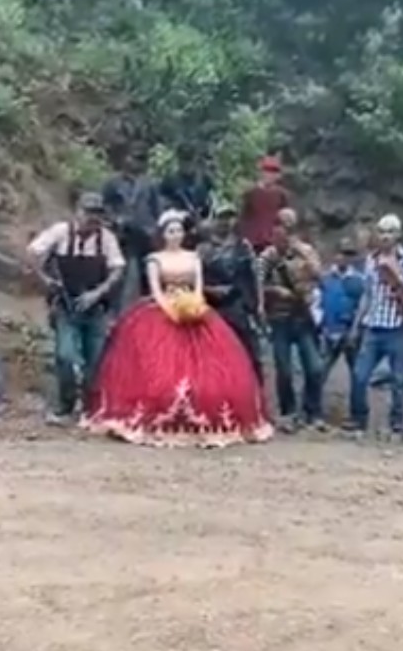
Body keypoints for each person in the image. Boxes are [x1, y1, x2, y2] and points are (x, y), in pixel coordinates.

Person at [82, 209, 272, 447]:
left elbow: (198, 286)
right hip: (162, 311)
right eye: (171, 231)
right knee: (157, 368)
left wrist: (194, 306)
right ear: (163, 234)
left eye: (179, 230)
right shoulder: (155, 259)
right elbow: (156, 289)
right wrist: (170, 310)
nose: (175, 235)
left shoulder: (193, 257)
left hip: (193, 308)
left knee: (215, 367)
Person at [27, 193, 126, 426]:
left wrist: (97, 293)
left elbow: (118, 269)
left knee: (96, 361)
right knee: (65, 355)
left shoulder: (106, 238)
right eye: (87, 212)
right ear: (77, 211)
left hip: (95, 308)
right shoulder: (60, 232)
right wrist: (45, 279)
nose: (92, 218)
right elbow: (32, 252)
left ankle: (91, 408)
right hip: (65, 305)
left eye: (96, 213)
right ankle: (66, 405)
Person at [346, 214, 403, 436]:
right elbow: (367, 295)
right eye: (382, 231)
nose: (386, 236)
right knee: (359, 375)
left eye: (390, 232)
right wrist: (356, 325)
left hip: (397, 326)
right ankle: (359, 419)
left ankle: (397, 423)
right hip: (373, 326)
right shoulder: (371, 260)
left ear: (398, 235)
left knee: (399, 380)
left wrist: (397, 277)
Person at [259, 218, 326, 431]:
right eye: (278, 233)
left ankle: (313, 411)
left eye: (287, 232)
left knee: (315, 367)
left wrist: (304, 254)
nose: (283, 238)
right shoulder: (267, 257)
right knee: (284, 369)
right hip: (279, 318)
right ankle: (288, 412)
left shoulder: (305, 252)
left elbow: (320, 275)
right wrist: (274, 291)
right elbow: (257, 284)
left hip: (303, 315)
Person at [197, 202, 265, 381]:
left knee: (250, 353)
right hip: (212, 307)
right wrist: (210, 290)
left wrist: (259, 304)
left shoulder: (243, 246)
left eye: (229, 217)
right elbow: (194, 281)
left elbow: (255, 276)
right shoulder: (203, 250)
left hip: (239, 305)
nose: (226, 222)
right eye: (221, 217)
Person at [102, 147, 162, 313]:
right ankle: (115, 311)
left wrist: (154, 230)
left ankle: (144, 312)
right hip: (122, 234)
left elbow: (157, 209)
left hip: (144, 235)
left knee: (146, 275)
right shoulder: (113, 182)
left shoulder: (149, 184)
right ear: (125, 158)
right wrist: (115, 219)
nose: (136, 162)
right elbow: (104, 206)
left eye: (141, 159)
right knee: (119, 273)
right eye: (133, 158)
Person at [319, 237, 366, 387]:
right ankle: (311, 401)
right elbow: (319, 304)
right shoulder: (325, 278)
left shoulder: (359, 280)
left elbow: (363, 306)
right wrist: (322, 328)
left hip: (350, 332)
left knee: (358, 374)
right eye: (342, 253)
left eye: (349, 254)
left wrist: (355, 329)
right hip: (329, 332)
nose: (345, 257)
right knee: (320, 371)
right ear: (335, 255)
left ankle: (358, 403)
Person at [159, 143, 216, 247]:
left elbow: (212, 200)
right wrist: (178, 213)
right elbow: (162, 204)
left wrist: (206, 217)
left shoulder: (204, 178)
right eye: (184, 159)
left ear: (195, 159)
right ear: (179, 160)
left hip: (202, 220)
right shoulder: (170, 180)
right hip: (179, 221)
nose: (187, 164)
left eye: (190, 159)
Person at [239, 155, 290, 253]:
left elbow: (286, 219)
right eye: (267, 171)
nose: (270, 175)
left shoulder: (282, 195)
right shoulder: (251, 193)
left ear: (278, 175)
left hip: (273, 242)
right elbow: (243, 217)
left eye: (274, 172)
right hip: (253, 241)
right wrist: (244, 237)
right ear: (261, 173)